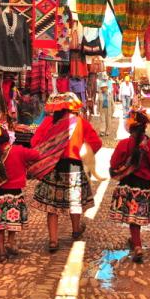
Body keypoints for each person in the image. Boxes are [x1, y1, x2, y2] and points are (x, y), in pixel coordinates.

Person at [29, 93, 102, 252]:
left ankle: (53, 241)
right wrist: (84, 155)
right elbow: (96, 143)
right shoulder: (80, 123)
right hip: (74, 166)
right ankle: (76, 230)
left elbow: (34, 142)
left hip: (53, 167)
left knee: (52, 207)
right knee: (74, 201)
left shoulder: (49, 122)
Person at [0, 123, 40, 261]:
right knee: (13, 222)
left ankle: (1, 252)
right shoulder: (19, 151)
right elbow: (36, 155)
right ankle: (11, 243)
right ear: (8, 138)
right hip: (15, 195)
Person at [109, 109, 150, 263]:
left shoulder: (124, 144)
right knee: (137, 218)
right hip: (144, 185)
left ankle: (137, 245)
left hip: (129, 185)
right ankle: (136, 242)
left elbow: (114, 163)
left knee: (133, 218)